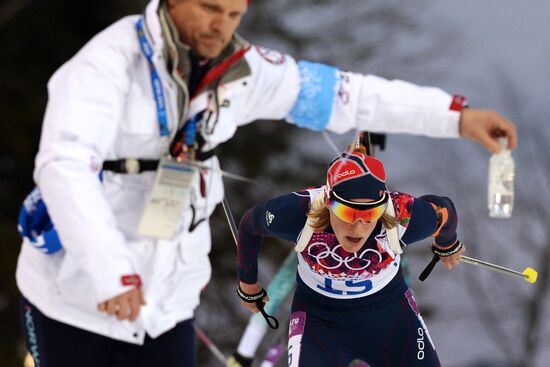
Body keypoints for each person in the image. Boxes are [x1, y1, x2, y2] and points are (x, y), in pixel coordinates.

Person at [16, 0, 516, 366]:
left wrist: (457, 118)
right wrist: (110, 271)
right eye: (210, 9)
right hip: (79, 298)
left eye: (234, 14)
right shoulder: (104, 67)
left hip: (165, 305)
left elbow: (347, 95)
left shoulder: (243, 71)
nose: (221, 27)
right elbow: (64, 166)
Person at [235, 150, 464, 366]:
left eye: (370, 214)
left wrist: (447, 242)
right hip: (320, 321)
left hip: (390, 316)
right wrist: (248, 283)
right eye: (347, 212)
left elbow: (444, 211)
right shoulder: (299, 211)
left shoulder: (401, 214)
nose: (358, 227)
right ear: (328, 202)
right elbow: (249, 224)